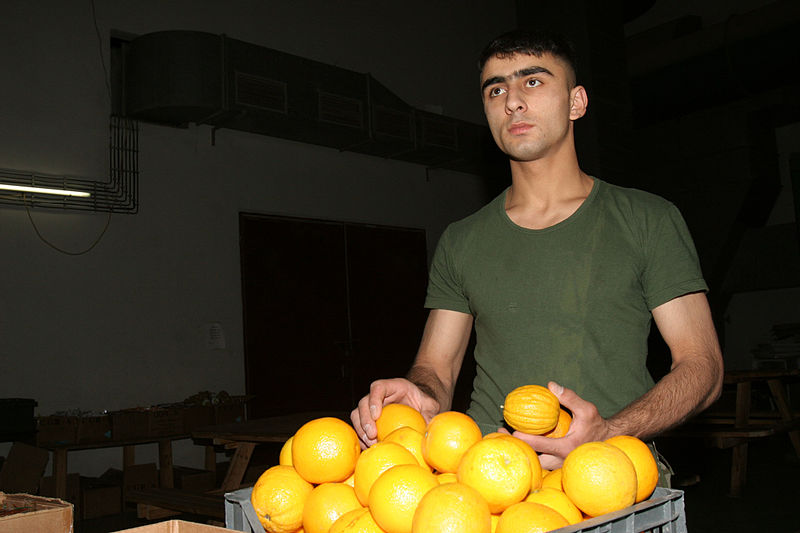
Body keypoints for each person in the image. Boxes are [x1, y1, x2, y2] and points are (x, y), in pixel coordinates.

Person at [351, 29, 723, 471]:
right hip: (489, 482)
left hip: (614, 480)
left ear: (576, 102)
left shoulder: (647, 219)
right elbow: (437, 367)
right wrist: (420, 394)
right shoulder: (462, 239)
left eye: (532, 81)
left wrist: (609, 432)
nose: (512, 101)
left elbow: (703, 368)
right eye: (496, 89)